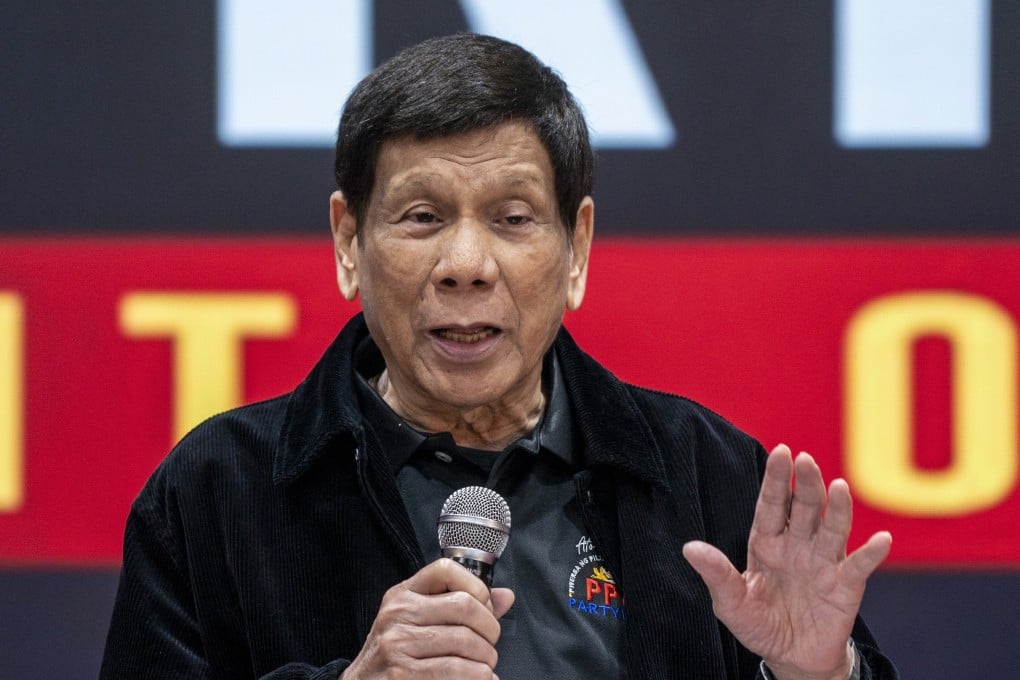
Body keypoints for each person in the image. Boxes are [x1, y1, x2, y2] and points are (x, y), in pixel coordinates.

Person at [101, 33, 897, 679]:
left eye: (513, 219)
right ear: (349, 242)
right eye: (421, 217)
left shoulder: (709, 476)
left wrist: (817, 676)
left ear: (576, 247)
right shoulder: (216, 491)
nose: (467, 263)